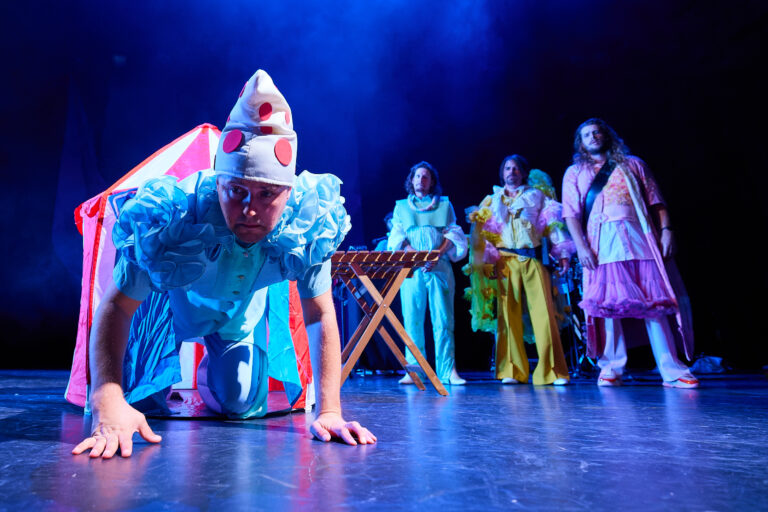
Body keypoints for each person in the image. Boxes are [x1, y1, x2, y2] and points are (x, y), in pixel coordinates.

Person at [72, 70, 376, 459]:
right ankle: (154, 373)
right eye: (236, 191)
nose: (250, 210)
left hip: (236, 318)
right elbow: (116, 305)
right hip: (169, 313)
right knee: (139, 407)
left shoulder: (307, 221)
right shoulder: (174, 215)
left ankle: (212, 369)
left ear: (288, 191)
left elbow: (319, 314)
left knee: (241, 404)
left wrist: (329, 410)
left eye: (267, 194)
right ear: (218, 182)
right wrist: (107, 395)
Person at [561, 118, 697, 388]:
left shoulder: (634, 164)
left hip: (639, 240)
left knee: (654, 303)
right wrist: (581, 247)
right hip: (601, 244)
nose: (593, 136)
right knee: (609, 305)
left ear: (607, 135)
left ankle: (671, 368)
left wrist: (667, 230)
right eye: (586, 134)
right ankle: (612, 367)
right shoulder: (574, 172)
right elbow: (571, 215)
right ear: (580, 142)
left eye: (597, 131)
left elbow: (657, 201)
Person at [468, 155, 573, 385]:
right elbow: (485, 236)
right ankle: (512, 370)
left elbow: (552, 226)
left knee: (544, 315)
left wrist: (563, 252)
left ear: (524, 173)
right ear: (502, 172)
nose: (511, 171)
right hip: (504, 262)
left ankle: (553, 370)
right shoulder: (492, 200)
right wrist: (487, 261)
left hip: (531, 258)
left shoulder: (537, 196)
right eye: (507, 168)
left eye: (516, 168)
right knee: (508, 317)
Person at [388, 162, 468, 385]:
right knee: (412, 319)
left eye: (425, 177)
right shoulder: (402, 207)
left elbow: (453, 232)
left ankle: (447, 370)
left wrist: (435, 254)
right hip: (413, 269)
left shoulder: (444, 205)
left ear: (432, 182)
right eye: (417, 176)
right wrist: (413, 253)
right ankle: (414, 370)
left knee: (443, 319)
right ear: (411, 180)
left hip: (438, 267)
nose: (420, 180)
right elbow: (396, 234)